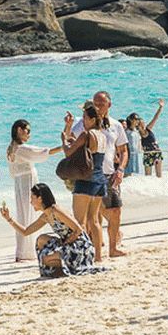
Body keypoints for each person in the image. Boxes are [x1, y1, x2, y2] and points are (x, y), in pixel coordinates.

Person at [0, 183, 102, 278]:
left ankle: (66, 269)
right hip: (67, 244)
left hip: (80, 246)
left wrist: (65, 244)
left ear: (40, 199)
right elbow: (26, 232)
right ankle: (60, 269)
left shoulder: (56, 210)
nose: (30, 202)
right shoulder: (46, 216)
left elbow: (79, 230)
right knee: (41, 240)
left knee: (45, 260)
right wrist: (9, 219)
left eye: (32, 198)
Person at [70, 91, 128, 258]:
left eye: (101, 104)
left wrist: (121, 169)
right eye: (95, 103)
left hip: (110, 174)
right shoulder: (83, 123)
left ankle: (113, 248)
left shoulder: (116, 125)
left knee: (115, 210)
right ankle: (94, 252)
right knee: (93, 217)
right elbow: (71, 141)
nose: (97, 107)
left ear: (109, 105)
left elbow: (123, 150)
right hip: (89, 173)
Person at [6, 119, 62, 262]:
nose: (29, 134)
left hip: (18, 183)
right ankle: (29, 251)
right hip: (27, 181)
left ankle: (22, 251)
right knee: (30, 213)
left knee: (22, 214)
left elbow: (12, 171)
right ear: (19, 130)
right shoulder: (21, 148)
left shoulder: (10, 148)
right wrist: (64, 147)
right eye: (27, 131)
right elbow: (43, 153)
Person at [62, 105, 107, 262]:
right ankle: (98, 257)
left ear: (92, 119)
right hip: (100, 180)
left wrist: (63, 140)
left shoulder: (86, 134)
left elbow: (68, 152)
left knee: (79, 222)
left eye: (85, 118)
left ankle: (80, 256)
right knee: (94, 221)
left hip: (85, 181)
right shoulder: (102, 135)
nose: (83, 121)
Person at [138, 99, 165, 177]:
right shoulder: (137, 135)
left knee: (159, 176)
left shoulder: (148, 129)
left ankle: (159, 188)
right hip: (147, 154)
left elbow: (155, 118)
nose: (143, 125)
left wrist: (160, 108)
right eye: (140, 124)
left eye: (143, 123)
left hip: (156, 153)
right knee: (148, 176)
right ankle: (149, 189)